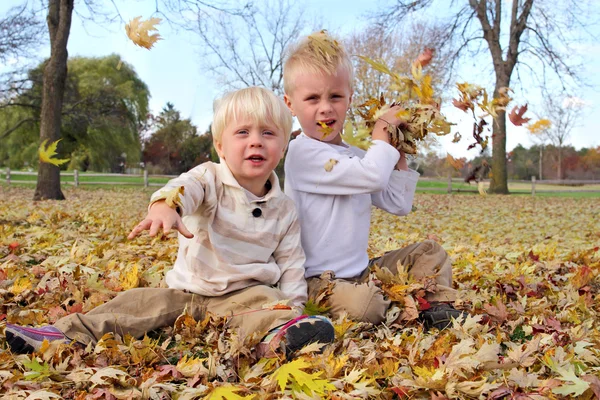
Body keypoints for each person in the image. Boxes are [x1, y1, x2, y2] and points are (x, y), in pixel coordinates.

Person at [5, 86, 334, 357]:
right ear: (221, 146)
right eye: (243, 132)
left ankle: (280, 335)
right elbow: (183, 188)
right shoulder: (210, 178)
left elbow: (291, 261)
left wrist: (293, 307)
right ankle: (59, 334)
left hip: (243, 296)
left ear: (281, 149)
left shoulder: (285, 208)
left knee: (265, 304)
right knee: (138, 304)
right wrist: (166, 206)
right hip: (187, 290)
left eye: (268, 133)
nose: (256, 141)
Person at [282, 31, 466, 330]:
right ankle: (387, 302)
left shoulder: (358, 157)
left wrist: (398, 147)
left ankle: (435, 305)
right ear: (290, 104)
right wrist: (381, 138)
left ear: (349, 99)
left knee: (430, 252)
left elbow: (398, 203)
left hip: (361, 271)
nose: (325, 107)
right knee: (366, 306)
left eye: (336, 96)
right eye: (312, 98)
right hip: (317, 281)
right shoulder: (303, 154)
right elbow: (371, 176)